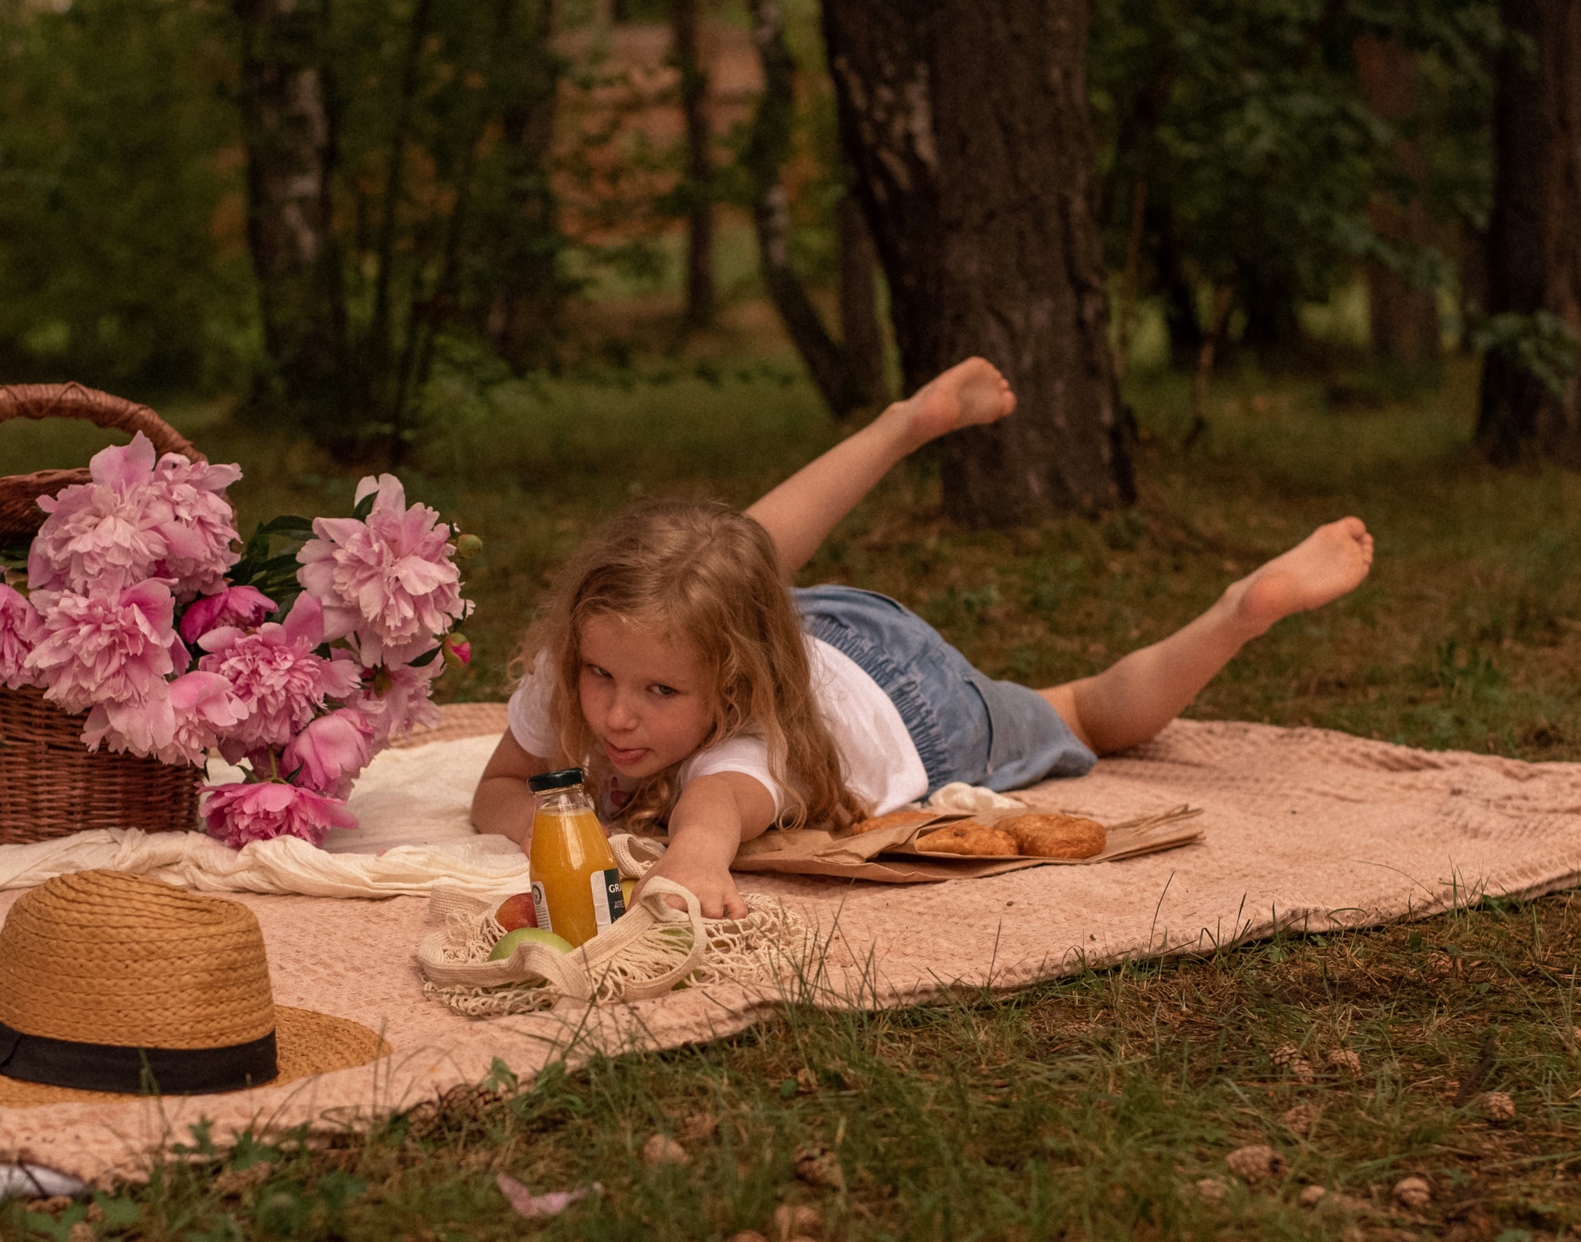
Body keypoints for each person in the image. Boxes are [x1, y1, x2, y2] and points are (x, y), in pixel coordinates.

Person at [470, 358, 1374, 918]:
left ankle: (1237, 610)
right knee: (713, 566)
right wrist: (550, 829)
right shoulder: (593, 660)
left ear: (736, 690)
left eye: (657, 695)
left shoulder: (745, 746)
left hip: (914, 704)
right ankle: (906, 422)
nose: (618, 716)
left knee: (1090, 712)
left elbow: (711, 822)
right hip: (809, 627)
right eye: (602, 677)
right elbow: (501, 788)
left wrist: (692, 866)